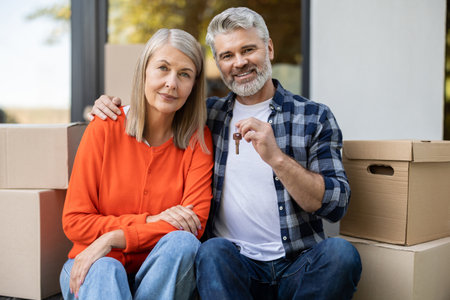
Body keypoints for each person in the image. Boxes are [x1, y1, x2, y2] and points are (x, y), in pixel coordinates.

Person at [90, 7, 362, 300]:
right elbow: (160, 105)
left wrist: (278, 160)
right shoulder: (206, 117)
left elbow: (336, 205)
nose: (240, 62)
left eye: (248, 49)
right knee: (212, 251)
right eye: (227, 55)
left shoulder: (313, 116)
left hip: (298, 263)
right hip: (233, 265)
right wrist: (111, 107)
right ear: (218, 64)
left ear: (268, 48)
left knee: (341, 253)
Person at [60, 28, 213, 300]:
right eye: (162, 68)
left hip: (160, 276)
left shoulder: (198, 141)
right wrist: (153, 221)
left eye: (184, 74)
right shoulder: (105, 127)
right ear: (144, 70)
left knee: (182, 243)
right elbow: (75, 222)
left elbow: (194, 224)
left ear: (194, 85)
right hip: (94, 267)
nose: (171, 83)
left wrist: (112, 238)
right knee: (107, 267)